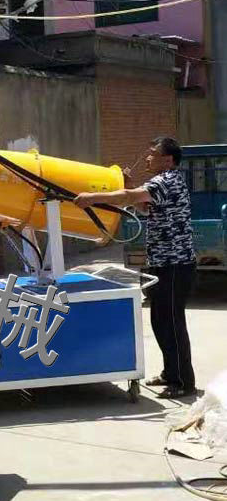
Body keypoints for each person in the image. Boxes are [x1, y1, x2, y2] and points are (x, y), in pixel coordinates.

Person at [74, 137, 196, 399]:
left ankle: (184, 382)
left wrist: (92, 198)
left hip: (176, 264)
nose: (148, 158)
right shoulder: (161, 183)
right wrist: (128, 184)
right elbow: (141, 205)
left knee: (172, 322)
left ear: (168, 160)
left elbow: (129, 197)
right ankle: (170, 373)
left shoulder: (167, 181)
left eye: (153, 154)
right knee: (160, 320)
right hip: (161, 262)